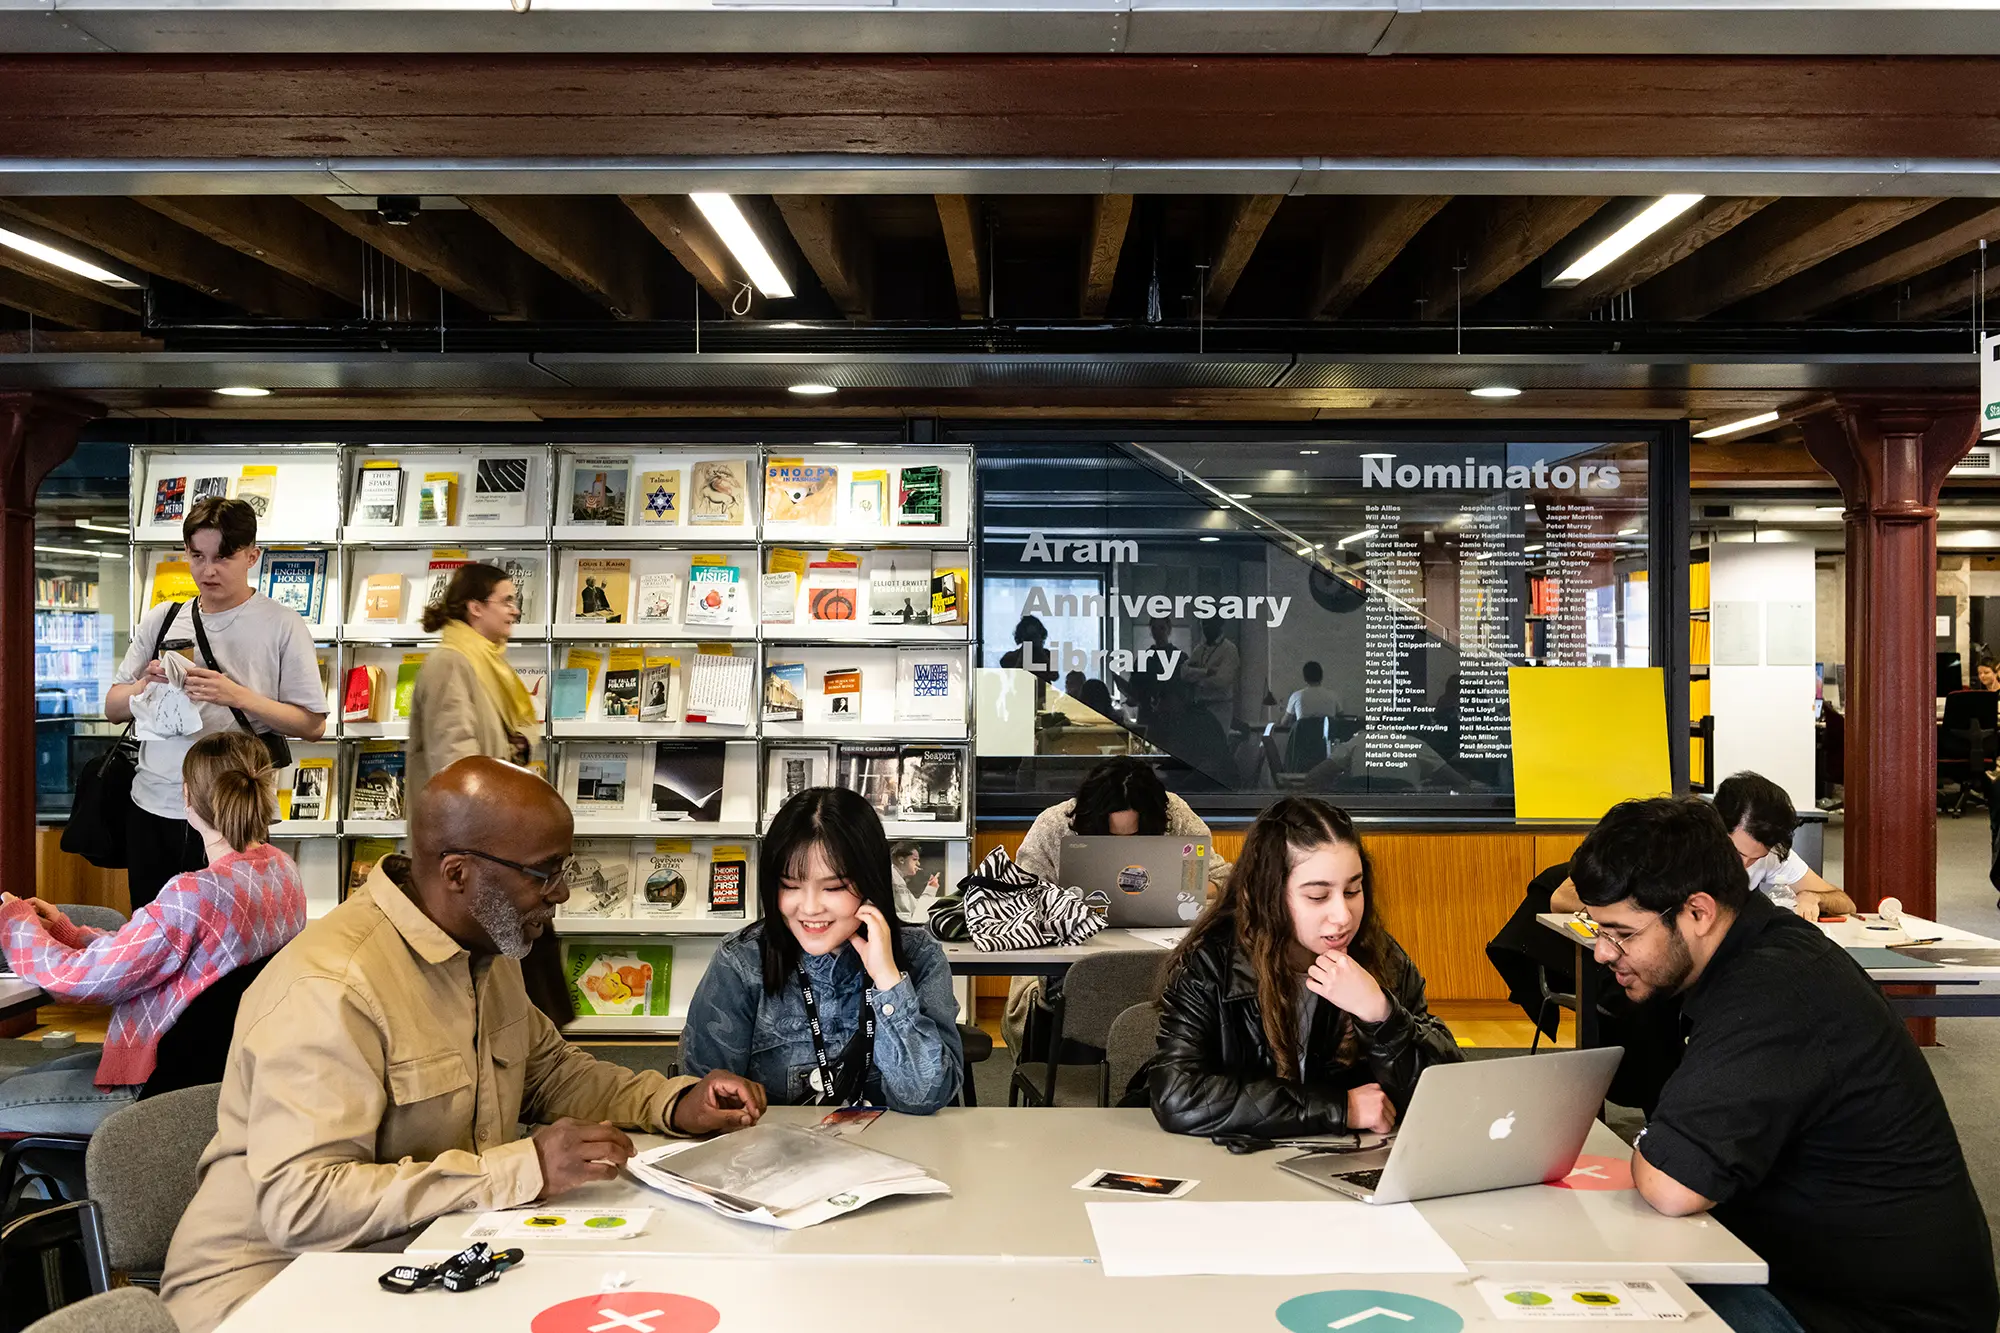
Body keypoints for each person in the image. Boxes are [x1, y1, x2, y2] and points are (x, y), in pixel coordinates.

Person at [159, 758, 765, 1333]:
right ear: (458, 873)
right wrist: (521, 1169)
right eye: (544, 872)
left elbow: (550, 1073)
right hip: (270, 1294)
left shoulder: (484, 943)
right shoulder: (333, 988)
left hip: (419, 1265)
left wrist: (674, 1102)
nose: (560, 893)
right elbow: (305, 1206)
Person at [1569, 796, 1997, 1333]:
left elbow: (1671, 1185)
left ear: (1698, 912)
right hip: (1800, 1272)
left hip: (1865, 1315)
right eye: (1597, 928)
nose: (1603, 953)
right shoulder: (1752, 954)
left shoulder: (1773, 991)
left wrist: (1658, 1142)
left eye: (1622, 933)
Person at [0, 732, 305, 1133]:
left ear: (187, 798)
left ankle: (99, 1185)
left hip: (160, 1086)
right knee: (24, 1078)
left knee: (6, 1092)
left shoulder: (194, 894)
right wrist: (66, 932)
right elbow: (150, 953)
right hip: (227, 1076)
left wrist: (15, 921)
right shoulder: (284, 872)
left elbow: (80, 980)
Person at [1143, 796, 1461, 1136]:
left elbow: (1447, 1092)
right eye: (1317, 897)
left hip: (1346, 1164)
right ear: (1269, 895)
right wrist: (1342, 1108)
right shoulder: (1210, 963)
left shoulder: (1383, 958)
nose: (1342, 916)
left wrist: (1380, 1014)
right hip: (1233, 1165)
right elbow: (1179, 1095)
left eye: (1353, 890)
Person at [681, 787, 963, 1113]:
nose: (810, 908)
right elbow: (704, 1101)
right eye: (790, 886)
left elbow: (926, 1096)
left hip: (888, 1157)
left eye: (833, 887)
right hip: (774, 1158)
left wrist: (888, 981)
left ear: (870, 882)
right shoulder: (741, 962)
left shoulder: (920, 956)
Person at [106, 496, 327, 910]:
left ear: (251, 556)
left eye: (223, 557)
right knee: (156, 943)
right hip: (154, 806)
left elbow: (312, 725)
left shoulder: (281, 623)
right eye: (197, 556)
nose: (208, 570)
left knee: (236, 941)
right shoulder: (163, 619)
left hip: (235, 815)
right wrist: (143, 685)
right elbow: (112, 706)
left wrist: (235, 695)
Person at [1003, 756, 1233, 1051]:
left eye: (1136, 835)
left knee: (1195, 983)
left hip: (1161, 957)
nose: (1124, 845)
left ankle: (1162, 1075)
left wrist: (1191, 889)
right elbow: (1019, 897)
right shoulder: (1055, 826)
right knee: (1083, 989)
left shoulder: (1175, 816)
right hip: (1077, 960)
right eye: (1112, 836)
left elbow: (1228, 883)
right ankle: (1082, 1073)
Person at [1552, 770, 1853, 922]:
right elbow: (1561, 898)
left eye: (1755, 860)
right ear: (1713, 824)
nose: (1744, 867)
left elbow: (1844, 902)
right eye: (1738, 855)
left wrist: (1812, 898)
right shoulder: (1669, 842)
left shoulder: (1767, 848)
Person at [407, 562, 535, 799]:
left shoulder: (488, 663)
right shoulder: (449, 663)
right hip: (463, 824)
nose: (515, 611)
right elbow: (456, 760)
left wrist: (519, 744)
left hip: (484, 815)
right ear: (476, 607)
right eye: (506, 601)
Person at [1184, 616, 1240, 733]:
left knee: (1217, 745)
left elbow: (1222, 680)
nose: (1206, 628)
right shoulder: (1199, 649)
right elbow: (1184, 673)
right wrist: (1206, 672)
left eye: (1209, 624)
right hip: (1199, 707)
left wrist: (1196, 679)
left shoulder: (1229, 649)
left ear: (1219, 625)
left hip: (1220, 708)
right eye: (1203, 624)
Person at [889, 840, 938, 919]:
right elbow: (915, 917)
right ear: (901, 860)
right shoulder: (895, 884)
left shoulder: (898, 881)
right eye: (914, 859)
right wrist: (930, 890)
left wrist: (930, 889)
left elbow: (915, 910)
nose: (918, 864)